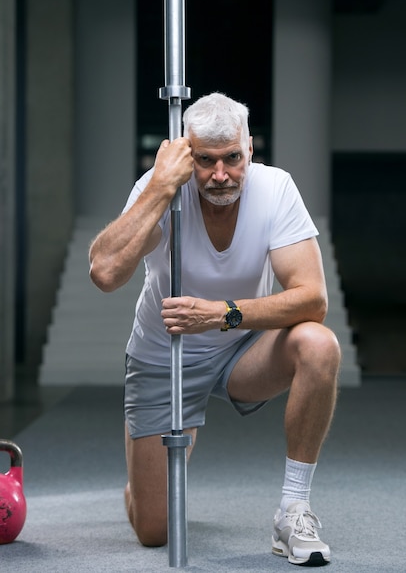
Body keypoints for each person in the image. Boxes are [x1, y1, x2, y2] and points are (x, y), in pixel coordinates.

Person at [89, 92, 340, 567]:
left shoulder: (275, 188)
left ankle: (294, 509)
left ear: (250, 149)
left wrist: (219, 314)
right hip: (165, 356)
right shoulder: (162, 187)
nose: (220, 174)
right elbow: (104, 273)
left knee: (318, 344)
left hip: (241, 348)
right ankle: (147, 479)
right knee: (153, 532)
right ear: (186, 153)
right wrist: (162, 186)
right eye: (205, 160)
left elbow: (313, 299)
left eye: (232, 159)